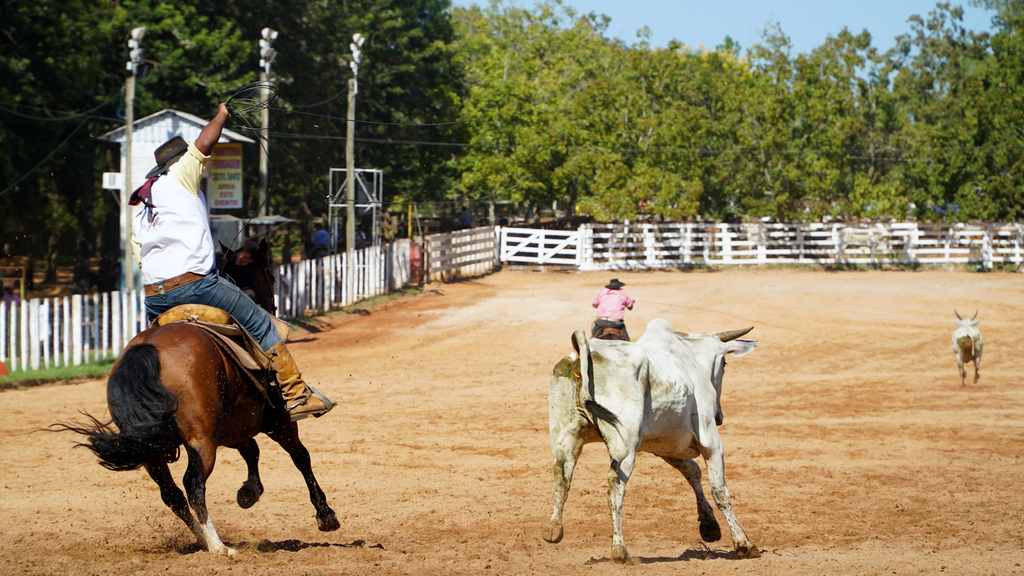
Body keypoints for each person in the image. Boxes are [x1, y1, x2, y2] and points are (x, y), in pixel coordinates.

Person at [129, 103, 333, 421]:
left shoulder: (143, 202)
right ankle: (297, 395)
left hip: (154, 297)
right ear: (181, 162)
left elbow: (140, 255)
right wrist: (222, 114)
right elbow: (204, 142)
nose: (204, 167)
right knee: (261, 323)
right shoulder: (180, 176)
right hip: (195, 286)